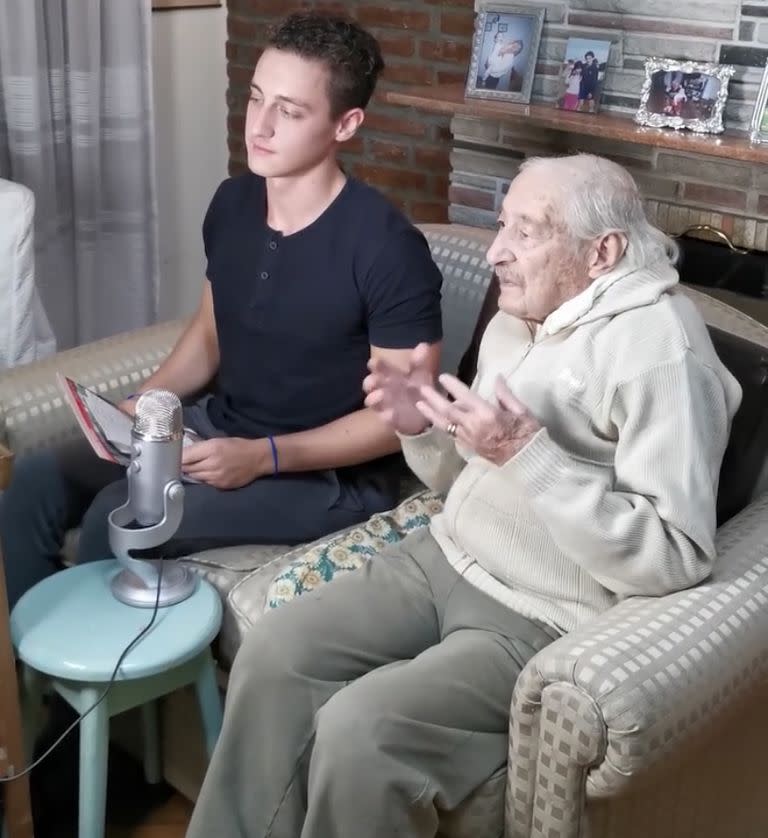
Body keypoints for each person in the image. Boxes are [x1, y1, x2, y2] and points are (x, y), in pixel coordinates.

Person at [185, 154, 742, 838]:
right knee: (276, 652)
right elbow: (457, 478)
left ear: (603, 252)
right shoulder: (519, 316)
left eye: (526, 232)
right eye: (500, 224)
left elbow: (676, 556)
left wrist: (529, 454)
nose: (497, 252)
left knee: (362, 733)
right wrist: (417, 427)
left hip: (539, 611)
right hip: (442, 554)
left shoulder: (659, 351)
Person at [0, 12, 443, 611]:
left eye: (289, 110)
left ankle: (98, 703)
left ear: (347, 123)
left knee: (120, 514)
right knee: (33, 482)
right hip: (219, 427)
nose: (258, 125)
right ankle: (31, 686)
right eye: (257, 97)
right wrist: (144, 407)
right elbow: (211, 335)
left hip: (327, 479)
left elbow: (403, 421)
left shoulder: (389, 249)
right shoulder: (233, 202)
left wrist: (264, 457)